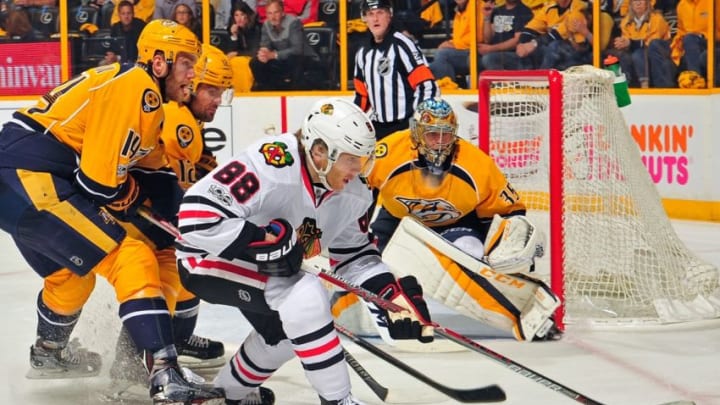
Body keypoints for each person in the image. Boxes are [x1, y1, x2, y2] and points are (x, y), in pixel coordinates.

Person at [0, 19, 225, 403]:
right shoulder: (138, 89)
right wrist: (140, 200)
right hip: (33, 176)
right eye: (187, 63)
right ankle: (164, 373)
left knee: (71, 277)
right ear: (159, 61)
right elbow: (100, 185)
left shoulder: (140, 95)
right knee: (130, 254)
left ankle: (49, 353)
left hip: (20, 182)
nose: (191, 74)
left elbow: (146, 177)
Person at [174, 97, 434, 405]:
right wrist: (261, 242)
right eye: (352, 158)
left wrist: (390, 294)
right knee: (305, 294)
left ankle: (223, 396)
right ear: (320, 152)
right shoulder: (271, 165)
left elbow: (355, 256)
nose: (360, 169)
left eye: (364, 159)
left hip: (268, 271)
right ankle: (338, 401)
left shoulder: (355, 192)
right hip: (206, 258)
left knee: (285, 336)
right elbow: (195, 217)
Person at [365, 97, 561, 342]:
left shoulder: (476, 165)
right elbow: (359, 190)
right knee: (372, 266)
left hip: (456, 225)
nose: (439, 143)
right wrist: (358, 233)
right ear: (416, 133)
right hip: (397, 222)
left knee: (471, 252)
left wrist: (503, 258)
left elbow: (511, 213)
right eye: (432, 135)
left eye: (446, 135)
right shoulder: (389, 152)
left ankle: (508, 310)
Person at [110, 44, 234, 386]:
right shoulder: (179, 122)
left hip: (141, 211)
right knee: (171, 274)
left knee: (185, 269)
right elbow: (175, 186)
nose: (217, 101)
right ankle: (134, 361)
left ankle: (167, 342)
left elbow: (201, 175)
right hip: (139, 216)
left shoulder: (185, 119)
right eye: (211, 90)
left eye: (222, 92)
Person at [353, 0, 439, 140]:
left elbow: (427, 87)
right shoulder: (362, 52)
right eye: (370, 14)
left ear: (389, 15)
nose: (375, 19)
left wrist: (417, 122)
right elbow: (362, 96)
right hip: (378, 128)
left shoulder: (402, 45)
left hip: (405, 126)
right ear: (365, 19)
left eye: (380, 13)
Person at [249, 0, 318, 90]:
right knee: (255, 63)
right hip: (282, 60)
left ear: (282, 13)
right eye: (269, 13)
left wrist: (273, 55)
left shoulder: (294, 22)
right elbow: (265, 45)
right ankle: (267, 90)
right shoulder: (266, 24)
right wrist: (263, 54)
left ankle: (295, 92)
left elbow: (297, 50)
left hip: (304, 59)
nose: (273, 17)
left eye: (276, 12)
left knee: (293, 59)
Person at [611, 0, 674, 88]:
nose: (638, 3)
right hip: (636, 54)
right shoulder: (625, 21)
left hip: (658, 54)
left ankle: (645, 86)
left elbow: (652, 43)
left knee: (639, 53)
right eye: (634, 1)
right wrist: (621, 43)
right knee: (620, 55)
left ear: (647, 3)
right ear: (630, 4)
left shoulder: (657, 19)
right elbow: (626, 38)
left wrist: (631, 43)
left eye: (641, 0)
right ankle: (623, 88)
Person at [515, 0, 592, 70]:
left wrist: (534, 44)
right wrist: (523, 44)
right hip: (554, 50)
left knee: (554, 45)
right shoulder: (550, 7)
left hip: (580, 52)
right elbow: (531, 28)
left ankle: (543, 79)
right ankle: (527, 80)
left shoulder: (579, 6)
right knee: (527, 49)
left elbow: (560, 33)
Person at [428, 0, 479, 88]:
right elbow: (458, 37)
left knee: (443, 54)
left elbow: (478, 37)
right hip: (463, 50)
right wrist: (450, 43)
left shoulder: (477, 6)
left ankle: (449, 88)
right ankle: (451, 88)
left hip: (476, 51)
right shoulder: (459, 10)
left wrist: (454, 44)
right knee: (435, 64)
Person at [478, 0, 533, 71]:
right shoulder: (497, 11)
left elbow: (517, 41)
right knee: (472, 58)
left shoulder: (524, 11)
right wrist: (487, 17)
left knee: (489, 59)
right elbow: (488, 39)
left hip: (515, 55)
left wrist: (490, 49)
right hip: (494, 52)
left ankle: (499, 81)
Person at [670, 0, 711, 88]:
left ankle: (695, 81)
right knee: (659, 47)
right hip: (688, 43)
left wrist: (704, 35)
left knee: (690, 38)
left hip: (710, 42)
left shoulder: (713, 3)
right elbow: (681, 30)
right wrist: (677, 47)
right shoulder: (682, 5)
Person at [104, 0, 146, 65]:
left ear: (133, 14)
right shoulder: (115, 28)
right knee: (102, 64)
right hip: (119, 62)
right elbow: (112, 50)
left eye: (129, 13)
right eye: (123, 14)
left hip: (138, 62)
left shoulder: (141, 26)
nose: (126, 16)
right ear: (119, 15)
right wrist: (112, 57)